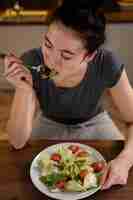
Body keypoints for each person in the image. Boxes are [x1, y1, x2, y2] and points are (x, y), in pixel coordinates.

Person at [4, 0, 133, 190]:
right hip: (49, 121)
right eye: (47, 44)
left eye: (66, 56)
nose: (51, 62)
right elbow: (16, 141)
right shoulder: (32, 61)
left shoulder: (106, 62)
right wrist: (24, 90)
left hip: (95, 121)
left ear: (90, 56)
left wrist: (125, 160)